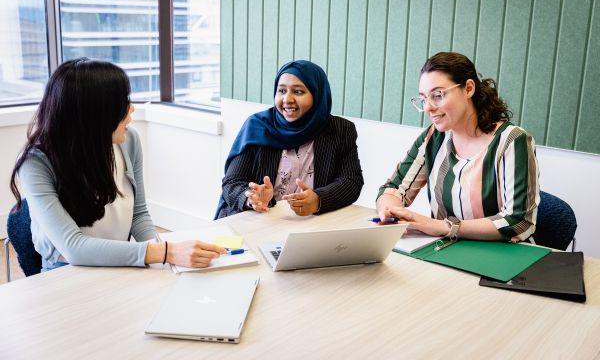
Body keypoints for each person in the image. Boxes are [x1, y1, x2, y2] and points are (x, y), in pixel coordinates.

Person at [10, 58, 226, 271]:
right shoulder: (35, 163)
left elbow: (139, 214)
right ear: (94, 114)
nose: (131, 108)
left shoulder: (129, 141)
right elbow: (73, 247)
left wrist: (165, 260)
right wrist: (166, 252)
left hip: (120, 263)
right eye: (122, 102)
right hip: (65, 271)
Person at [376, 52, 539, 242]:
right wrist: (389, 212)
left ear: (469, 88)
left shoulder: (512, 140)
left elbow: (519, 221)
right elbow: (393, 188)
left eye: (438, 95)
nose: (428, 107)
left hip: (501, 257)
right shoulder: (434, 137)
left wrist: (443, 227)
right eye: (423, 98)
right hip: (443, 250)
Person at [216, 60, 364, 219]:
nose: (287, 99)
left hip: (310, 224)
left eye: (298, 92)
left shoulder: (340, 130)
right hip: (257, 221)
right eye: (281, 91)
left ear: (318, 94)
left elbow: (351, 181)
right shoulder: (257, 126)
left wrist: (318, 199)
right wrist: (251, 198)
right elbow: (232, 183)